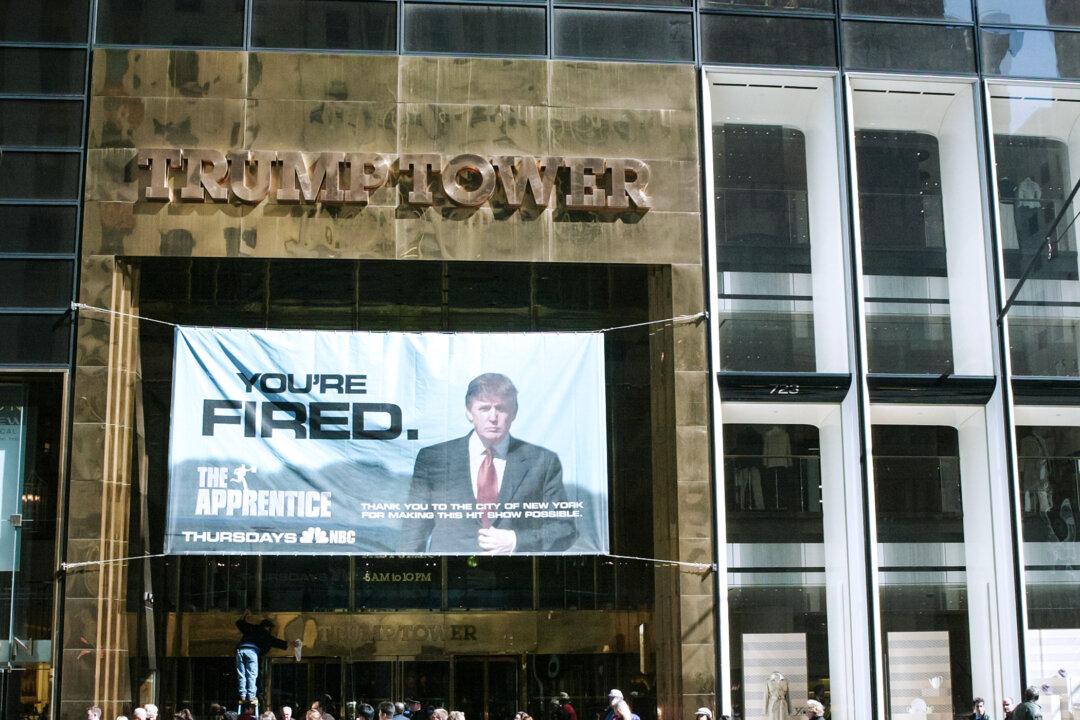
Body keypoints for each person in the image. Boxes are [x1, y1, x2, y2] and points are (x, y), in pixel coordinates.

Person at [398, 373, 578, 554]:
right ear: (469, 412)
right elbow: (414, 529)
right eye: (484, 408)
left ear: (514, 412)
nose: (493, 417)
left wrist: (516, 541)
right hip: (449, 573)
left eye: (501, 408)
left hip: (515, 574)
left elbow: (565, 529)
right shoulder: (433, 458)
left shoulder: (543, 461)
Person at [235, 612, 292, 703]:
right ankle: (251, 696)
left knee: (241, 674)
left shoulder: (251, 628)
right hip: (252, 651)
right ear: (268, 628)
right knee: (251, 674)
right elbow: (281, 643)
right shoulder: (267, 635)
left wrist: (245, 614)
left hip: (240, 650)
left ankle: (242, 694)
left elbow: (239, 622)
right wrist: (294, 643)